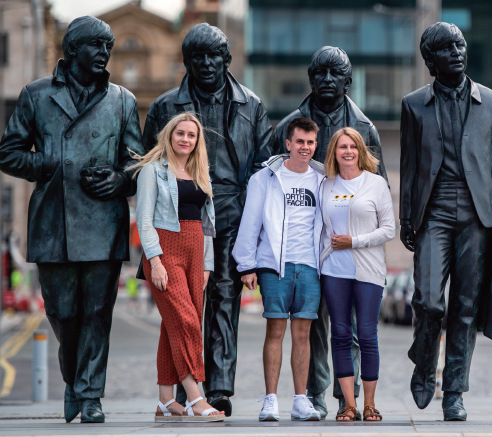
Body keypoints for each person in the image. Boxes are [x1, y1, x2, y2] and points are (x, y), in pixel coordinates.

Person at [0, 16, 144, 423]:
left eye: (108, 47)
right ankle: (73, 380)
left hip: (103, 220)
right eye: (96, 46)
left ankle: (90, 394)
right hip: (53, 222)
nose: (104, 54)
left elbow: (136, 163)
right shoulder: (37, 95)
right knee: (62, 313)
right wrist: (46, 163)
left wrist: (118, 179)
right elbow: (7, 152)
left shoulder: (122, 100)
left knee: (97, 312)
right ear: (73, 49)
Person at [143, 23, 274, 416]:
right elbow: (149, 162)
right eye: (197, 56)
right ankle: (182, 392)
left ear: (226, 59)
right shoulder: (165, 106)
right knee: (181, 309)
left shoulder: (251, 105)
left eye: (213, 56)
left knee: (224, 299)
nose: (205, 63)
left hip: (232, 211)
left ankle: (217, 388)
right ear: (186, 61)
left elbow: (262, 169)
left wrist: (256, 227)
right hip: (179, 217)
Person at [399, 22, 492, 421]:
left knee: (465, 309)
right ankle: (423, 361)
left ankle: (454, 392)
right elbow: (411, 167)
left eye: (461, 45)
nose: (457, 52)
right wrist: (406, 218)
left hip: (478, 218)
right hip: (433, 214)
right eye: (447, 48)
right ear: (431, 60)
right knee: (429, 301)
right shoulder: (414, 105)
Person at [273, 46, 388, 419]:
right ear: (310, 78)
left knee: (354, 328)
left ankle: (350, 399)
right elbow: (267, 183)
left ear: (348, 82)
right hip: (305, 245)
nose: (326, 80)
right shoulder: (287, 127)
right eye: (319, 73)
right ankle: (316, 394)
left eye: (334, 74)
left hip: (354, 253)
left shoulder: (365, 128)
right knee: (316, 325)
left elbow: (378, 189)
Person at [131, 113, 223, 422]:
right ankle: (196, 396)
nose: (185, 139)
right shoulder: (152, 172)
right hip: (165, 250)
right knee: (186, 321)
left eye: (191, 135)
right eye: (180, 133)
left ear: (197, 141)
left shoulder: (199, 172)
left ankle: (165, 400)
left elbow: (207, 223)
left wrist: (207, 263)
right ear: (169, 136)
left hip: (196, 252)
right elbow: (143, 220)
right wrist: (154, 260)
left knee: (175, 322)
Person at [232, 117, 325, 422]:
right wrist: (247, 265)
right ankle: (270, 399)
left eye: (311, 142)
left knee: (303, 333)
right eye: (300, 142)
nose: (305, 148)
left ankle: (300, 400)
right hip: (275, 265)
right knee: (275, 330)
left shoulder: (322, 179)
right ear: (288, 144)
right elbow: (251, 222)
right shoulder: (265, 178)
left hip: (310, 266)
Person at [319, 128, 394, 421]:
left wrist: (355, 241)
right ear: (334, 153)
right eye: (342, 147)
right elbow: (319, 228)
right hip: (333, 271)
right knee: (339, 334)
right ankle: (348, 405)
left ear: (360, 151)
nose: (347, 151)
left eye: (352, 146)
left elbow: (389, 229)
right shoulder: (325, 185)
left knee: (366, 335)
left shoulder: (376, 184)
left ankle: (370, 404)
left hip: (368, 271)